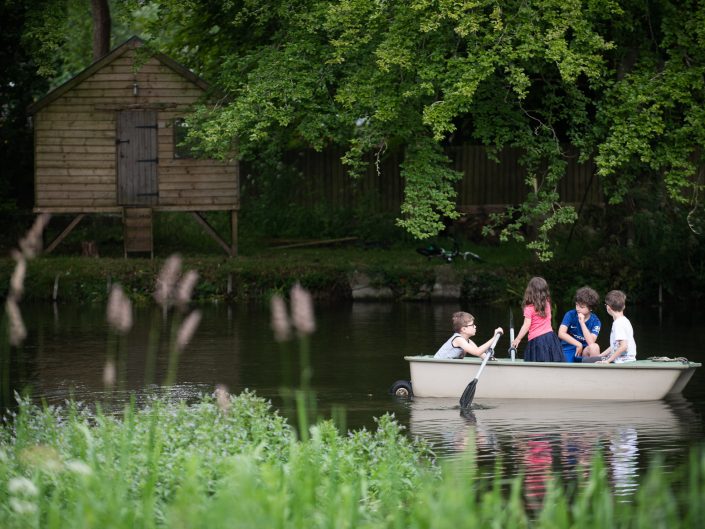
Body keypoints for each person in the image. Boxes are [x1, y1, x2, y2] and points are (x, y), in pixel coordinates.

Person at [511, 277, 565, 362]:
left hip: (537, 340)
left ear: (530, 291)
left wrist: (518, 338)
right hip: (551, 338)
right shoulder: (548, 303)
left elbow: (526, 325)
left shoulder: (529, 308)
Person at [586, 290, 637, 364]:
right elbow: (615, 346)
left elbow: (623, 346)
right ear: (624, 306)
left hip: (622, 360)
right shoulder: (625, 320)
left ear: (608, 307)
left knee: (585, 360)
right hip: (628, 358)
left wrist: (608, 361)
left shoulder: (618, 324)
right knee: (593, 359)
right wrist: (600, 356)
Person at [557, 286, 602, 363]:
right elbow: (561, 333)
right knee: (567, 364)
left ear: (590, 308)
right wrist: (578, 344)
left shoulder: (596, 321)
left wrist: (582, 323)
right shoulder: (570, 314)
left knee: (595, 347)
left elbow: (591, 342)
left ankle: (592, 373)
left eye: (581, 307)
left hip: (585, 349)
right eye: (577, 305)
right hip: (569, 347)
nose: (577, 308)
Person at [434, 311, 503, 360]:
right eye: (472, 325)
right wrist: (494, 337)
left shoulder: (468, 341)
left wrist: (491, 359)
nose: (475, 326)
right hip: (437, 367)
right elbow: (477, 352)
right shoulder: (458, 339)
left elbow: (481, 354)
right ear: (463, 329)